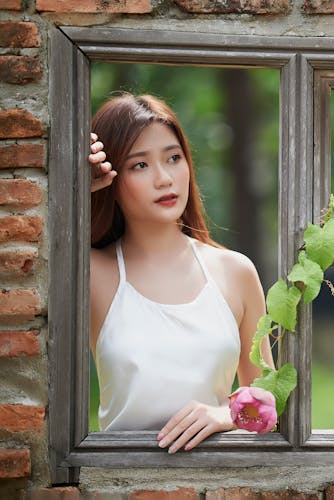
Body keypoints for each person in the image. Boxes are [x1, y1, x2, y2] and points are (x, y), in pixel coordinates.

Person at [87, 93, 274, 453]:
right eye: (139, 165)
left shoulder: (234, 271)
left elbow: (270, 397)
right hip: (118, 481)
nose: (164, 178)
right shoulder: (92, 272)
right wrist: (77, 186)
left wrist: (227, 415)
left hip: (217, 483)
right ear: (109, 177)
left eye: (173, 158)